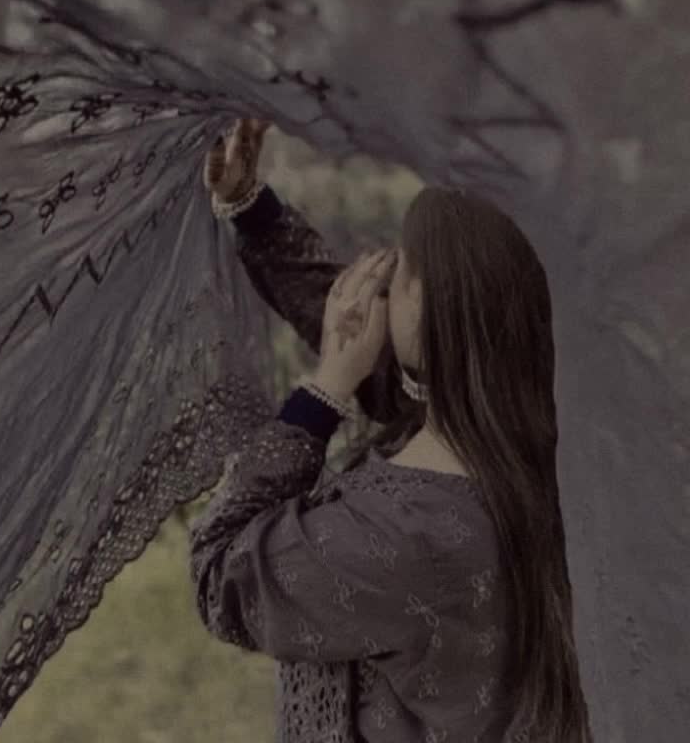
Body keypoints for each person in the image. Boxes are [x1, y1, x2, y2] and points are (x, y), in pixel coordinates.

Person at [189, 118, 591, 743]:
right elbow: (381, 357)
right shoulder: (539, 431)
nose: (377, 286)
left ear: (436, 314)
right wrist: (252, 208)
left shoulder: (396, 532)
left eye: (399, 272)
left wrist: (325, 388)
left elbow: (223, 576)